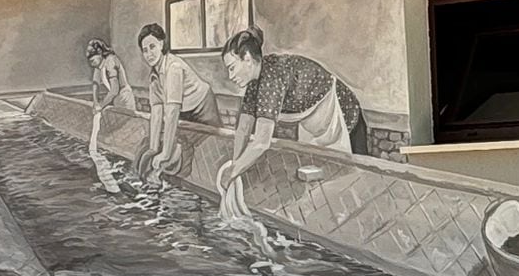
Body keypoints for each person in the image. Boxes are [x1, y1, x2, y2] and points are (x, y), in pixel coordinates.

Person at [217, 27, 368, 194]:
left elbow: (261, 142)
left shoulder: (272, 77)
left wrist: (232, 172)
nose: (230, 76)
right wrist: (235, 165)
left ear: (247, 59)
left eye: (232, 68)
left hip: (345, 116)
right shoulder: (254, 83)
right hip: (316, 126)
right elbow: (243, 129)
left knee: (354, 181)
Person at [134, 22, 219, 183]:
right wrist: (153, 149)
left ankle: (167, 174)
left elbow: (172, 112)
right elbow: (157, 113)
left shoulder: (173, 68)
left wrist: (165, 154)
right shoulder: (154, 76)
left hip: (203, 108)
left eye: (152, 47)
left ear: (161, 44)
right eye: (145, 50)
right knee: (167, 141)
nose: (149, 54)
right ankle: (158, 175)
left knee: (182, 146)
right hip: (185, 111)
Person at [85, 39, 137, 114]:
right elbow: (95, 83)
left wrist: (101, 105)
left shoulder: (111, 60)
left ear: (100, 52)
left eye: (93, 61)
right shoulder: (99, 65)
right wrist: (95, 102)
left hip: (125, 98)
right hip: (116, 100)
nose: (91, 64)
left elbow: (114, 90)